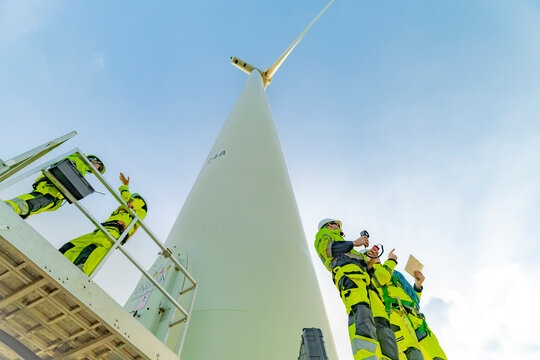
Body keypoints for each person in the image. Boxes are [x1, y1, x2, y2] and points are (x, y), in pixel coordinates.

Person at [314, 218, 399, 360]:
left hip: (367, 284)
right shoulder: (324, 233)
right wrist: (354, 242)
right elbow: (328, 250)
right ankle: (366, 356)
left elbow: (375, 275)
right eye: (340, 228)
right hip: (350, 277)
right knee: (361, 312)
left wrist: (370, 262)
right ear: (330, 225)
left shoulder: (352, 250)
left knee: (382, 324)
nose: (342, 232)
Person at [59, 173, 147, 276]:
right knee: (75, 244)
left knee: (93, 249)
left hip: (114, 232)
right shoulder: (123, 210)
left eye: (134, 198)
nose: (132, 200)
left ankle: (79, 272)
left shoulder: (140, 208)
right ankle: (59, 258)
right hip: (103, 229)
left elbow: (128, 200)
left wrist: (125, 187)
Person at [374, 259, 447, 360]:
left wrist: (417, 286)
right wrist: (390, 261)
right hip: (398, 321)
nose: (375, 254)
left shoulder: (391, 273)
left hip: (416, 321)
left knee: (437, 356)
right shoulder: (376, 274)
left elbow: (409, 300)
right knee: (412, 354)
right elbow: (380, 278)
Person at [4, 153, 105, 218]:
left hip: (57, 194)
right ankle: (8, 208)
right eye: (98, 166)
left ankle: (14, 216)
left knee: (35, 207)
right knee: (33, 202)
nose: (96, 168)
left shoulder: (82, 171)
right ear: (94, 161)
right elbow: (64, 168)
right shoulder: (78, 158)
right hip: (51, 187)